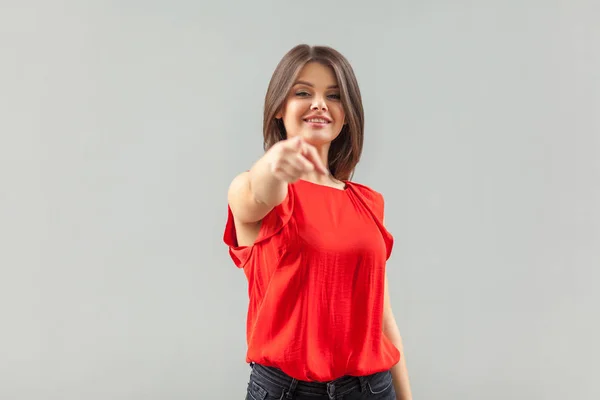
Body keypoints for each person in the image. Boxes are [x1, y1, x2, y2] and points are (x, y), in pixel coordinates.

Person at [223, 44, 413, 400]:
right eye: (303, 92)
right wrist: (276, 160)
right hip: (287, 392)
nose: (319, 104)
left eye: (334, 95)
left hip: (372, 389)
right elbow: (260, 194)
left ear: (346, 114)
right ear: (280, 107)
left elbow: (383, 322)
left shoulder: (368, 202)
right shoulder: (253, 189)